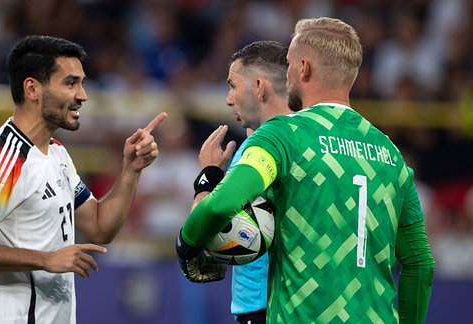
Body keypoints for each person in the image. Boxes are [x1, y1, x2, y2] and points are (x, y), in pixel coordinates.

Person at [176, 17, 435, 323]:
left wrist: (187, 245)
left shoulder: (282, 136)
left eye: (288, 64)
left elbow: (221, 204)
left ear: (304, 68)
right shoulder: (390, 153)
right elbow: (420, 263)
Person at [0, 35, 166, 324]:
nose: (82, 95)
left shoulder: (57, 154)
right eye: (70, 83)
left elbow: (99, 227)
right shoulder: (1, 159)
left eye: (82, 83)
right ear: (33, 88)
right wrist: (46, 259)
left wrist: (131, 170)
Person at [189, 40, 295, 324]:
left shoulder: (258, 150)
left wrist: (207, 178)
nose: (228, 98)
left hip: (265, 307)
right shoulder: (307, 140)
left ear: (259, 88)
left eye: (233, 86)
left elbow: (208, 226)